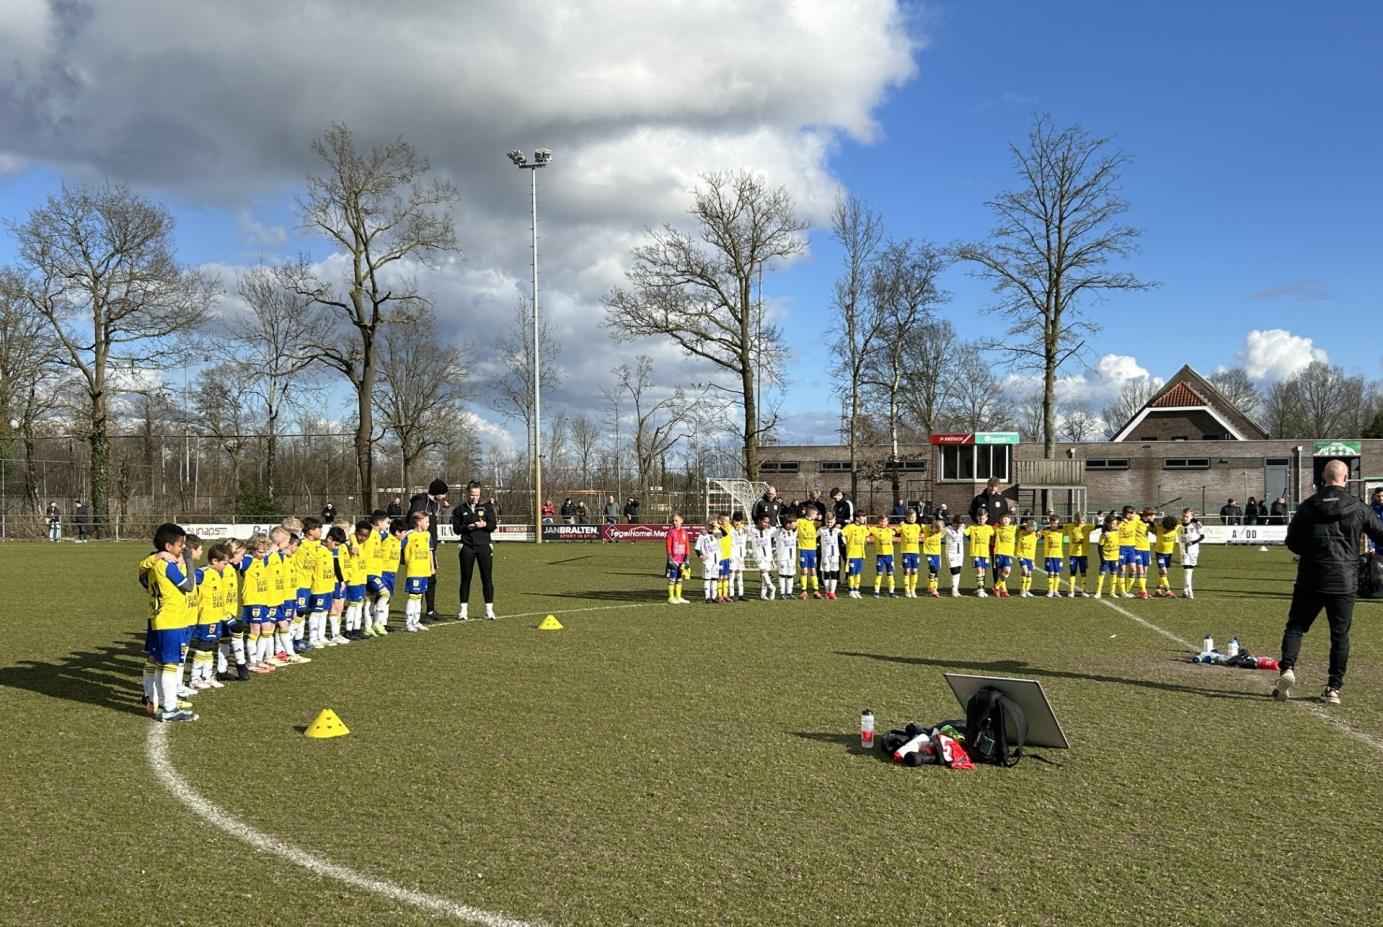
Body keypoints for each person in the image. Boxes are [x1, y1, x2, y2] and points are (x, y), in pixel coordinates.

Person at [1273, 459, 1383, 705]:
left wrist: (1312, 552)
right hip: (1344, 580)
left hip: (1311, 576)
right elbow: (1380, 534)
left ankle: (1287, 669)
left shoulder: (1308, 506)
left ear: (1323, 478)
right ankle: (1334, 688)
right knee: (1340, 635)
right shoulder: (1358, 506)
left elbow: (1292, 541)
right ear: (1346, 478)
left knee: (1296, 627)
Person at [139, 522, 198, 722]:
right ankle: (169, 707)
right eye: (180, 545)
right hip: (172, 621)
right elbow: (189, 586)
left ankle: (157, 701)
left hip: (159, 618)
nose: (183, 548)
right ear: (168, 546)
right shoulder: (166, 566)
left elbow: (141, 575)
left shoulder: (154, 564)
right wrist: (188, 561)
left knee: (160, 663)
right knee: (170, 665)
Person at [451, 481, 498, 620]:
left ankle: (489, 610)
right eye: (472, 494)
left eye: (477, 495)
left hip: (484, 546)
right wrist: (467, 527)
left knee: (487, 578)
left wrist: (484, 524)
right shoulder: (459, 509)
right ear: (468, 493)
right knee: (465, 578)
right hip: (467, 546)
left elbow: (493, 526)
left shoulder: (487, 507)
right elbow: (456, 529)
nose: (475, 497)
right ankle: (463, 611)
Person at [408, 479, 448, 622]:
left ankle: (430, 610)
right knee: (421, 580)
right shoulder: (420, 502)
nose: (444, 496)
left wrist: (433, 549)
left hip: (430, 548)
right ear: (437, 492)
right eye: (443, 493)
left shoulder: (433, 504)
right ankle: (417, 613)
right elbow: (413, 522)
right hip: (420, 549)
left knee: (431, 579)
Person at [401, 512, 433, 633]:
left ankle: (416, 620)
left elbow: (430, 551)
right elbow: (398, 546)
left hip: (424, 570)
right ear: (418, 522)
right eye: (427, 521)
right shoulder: (409, 535)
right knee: (413, 596)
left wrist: (432, 566)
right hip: (414, 570)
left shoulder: (427, 535)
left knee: (419, 596)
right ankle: (408, 622)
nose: (428, 524)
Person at [964, 511, 994, 598]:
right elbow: (964, 532)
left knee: (983, 571)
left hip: (985, 553)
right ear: (977, 518)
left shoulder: (989, 528)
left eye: (983, 518)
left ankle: (980, 588)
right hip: (976, 553)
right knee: (979, 570)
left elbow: (995, 534)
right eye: (980, 518)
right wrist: (961, 526)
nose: (981, 520)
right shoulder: (972, 527)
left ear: (986, 519)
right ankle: (980, 590)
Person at [1094, 513, 1123, 599]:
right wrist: (1102, 559)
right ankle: (1098, 592)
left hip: (1115, 558)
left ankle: (1112, 592)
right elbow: (1100, 547)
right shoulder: (1104, 535)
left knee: (1114, 574)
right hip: (1106, 558)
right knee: (1102, 574)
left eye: (1115, 523)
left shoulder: (1118, 532)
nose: (1113, 525)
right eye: (1112, 523)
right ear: (1107, 524)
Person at [664, 513, 691, 605]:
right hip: (674, 560)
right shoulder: (671, 532)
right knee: (672, 578)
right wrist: (669, 557)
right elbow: (668, 545)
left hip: (682, 559)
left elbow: (687, 545)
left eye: (676, 520)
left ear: (681, 521)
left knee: (679, 578)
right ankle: (671, 597)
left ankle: (678, 597)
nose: (674, 522)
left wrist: (687, 557)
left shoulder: (684, 532)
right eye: (673, 521)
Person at [1063, 512, 1092, 597]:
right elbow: (1059, 527)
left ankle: (1084, 591)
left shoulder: (1088, 526)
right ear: (1075, 520)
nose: (1080, 523)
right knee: (1072, 572)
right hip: (1073, 554)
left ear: (1084, 519)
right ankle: (1071, 591)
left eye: (1081, 521)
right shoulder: (1069, 526)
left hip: (1083, 554)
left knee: (1083, 572)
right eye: (1078, 521)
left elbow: (1101, 526)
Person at [1178, 509, 1204, 599]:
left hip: (1194, 551)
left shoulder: (1196, 525)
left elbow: (1202, 536)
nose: (1185, 518)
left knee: (1189, 571)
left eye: (1187, 516)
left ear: (1192, 517)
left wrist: (1192, 542)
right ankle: (1190, 591)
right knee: (1186, 570)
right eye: (1183, 516)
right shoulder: (1179, 525)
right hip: (1183, 550)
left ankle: (1185, 591)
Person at [869, 514, 897, 598]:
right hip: (880, 556)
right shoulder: (875, 530)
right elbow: (866, 529)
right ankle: (876, 591)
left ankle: (892, 591)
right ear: (878, 522)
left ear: (887, 522)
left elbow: (897, 531)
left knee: (890, 574)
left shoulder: (890, 531)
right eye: (881, 521)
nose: (883, 523)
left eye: (884, 521)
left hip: (889, 556)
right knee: (879, 574)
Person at [796, 504, 820, 599]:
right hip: (803, 549)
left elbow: (825, 523)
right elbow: (791, 524)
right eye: (816, 514)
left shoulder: (815, 523)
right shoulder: (800, 521)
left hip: (813, 550)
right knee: (804, 570)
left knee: (813, 570)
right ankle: (804, 591)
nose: (817, 516)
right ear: (812, 514)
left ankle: (816, 590)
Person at [897, 509, 922, 598]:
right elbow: (895, 532)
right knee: (907, 571)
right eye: (910, 517)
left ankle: (913, 590)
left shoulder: (917, 526)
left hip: (915, 552)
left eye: (914, 517)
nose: (912, 519)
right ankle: (907, 590)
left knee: (914, 571)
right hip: (906, 552)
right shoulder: (903, 526)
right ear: (906, 517)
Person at [818, 512, 842, 600]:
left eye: (831, 522)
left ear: (834, 521)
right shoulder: (821, 530)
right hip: (825, 555)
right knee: (826, 572)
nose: (829, 524)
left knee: (834, 573)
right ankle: (827, 592)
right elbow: (814, 537)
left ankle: (832, 592)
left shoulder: (837, 530)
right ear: (825, 520)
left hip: (835, 555)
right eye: (828, 522)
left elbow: (844, 538)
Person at [1040, 515, 1065, 598]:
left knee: (1057, 573)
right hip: (1049, 556)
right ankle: (1050, 591)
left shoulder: (1061, 531)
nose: (1055, 525)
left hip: (1058, 556)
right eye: (1053, 523)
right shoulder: (1046, 531)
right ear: (1050, 523)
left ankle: (1055, 590)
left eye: (1057, 523)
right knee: (1051, 573)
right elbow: (1037, 532)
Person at [943, 515, 966, 597]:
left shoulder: (962, 528)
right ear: (953, 522)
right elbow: (939, 535)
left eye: (960, 523)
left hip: (960, 553)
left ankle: (956, 590)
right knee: (954, 570)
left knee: (958, 570)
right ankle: (954, 590)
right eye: (957, 523)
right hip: (951, 553)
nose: (958, 525)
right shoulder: (947, 529)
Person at [1016, 518, 1039, 597]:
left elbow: (1042, 532)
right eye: (1031, 527)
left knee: (1029, 573)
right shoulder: (1020, 533)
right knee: (1025, 571)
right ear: (1027, 527)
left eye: (1034, 528)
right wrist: (1022, 526)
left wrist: (1037, 530)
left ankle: (1027, 590)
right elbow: (1016, 527)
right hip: (1021, 556)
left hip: (1031, 557)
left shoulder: (1035, 535)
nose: (1033, 530)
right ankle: (1022, 590)